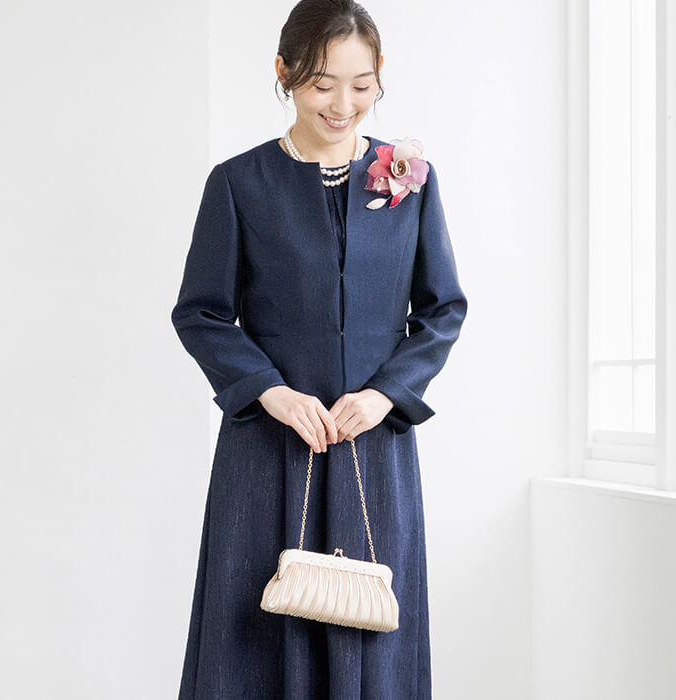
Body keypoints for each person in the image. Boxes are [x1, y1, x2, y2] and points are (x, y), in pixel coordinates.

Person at [170, 1, 468, 697]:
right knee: (253, 634)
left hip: (374, 445)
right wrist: (270, 392)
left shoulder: (411, 179)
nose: (342, 104)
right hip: (268, 447)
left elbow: (442, 308)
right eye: (320, 84)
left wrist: (386, 394)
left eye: (361, 85)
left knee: (371, 628)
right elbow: (201, 313)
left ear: (380, 73)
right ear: (284, 72)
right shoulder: (238, 183)